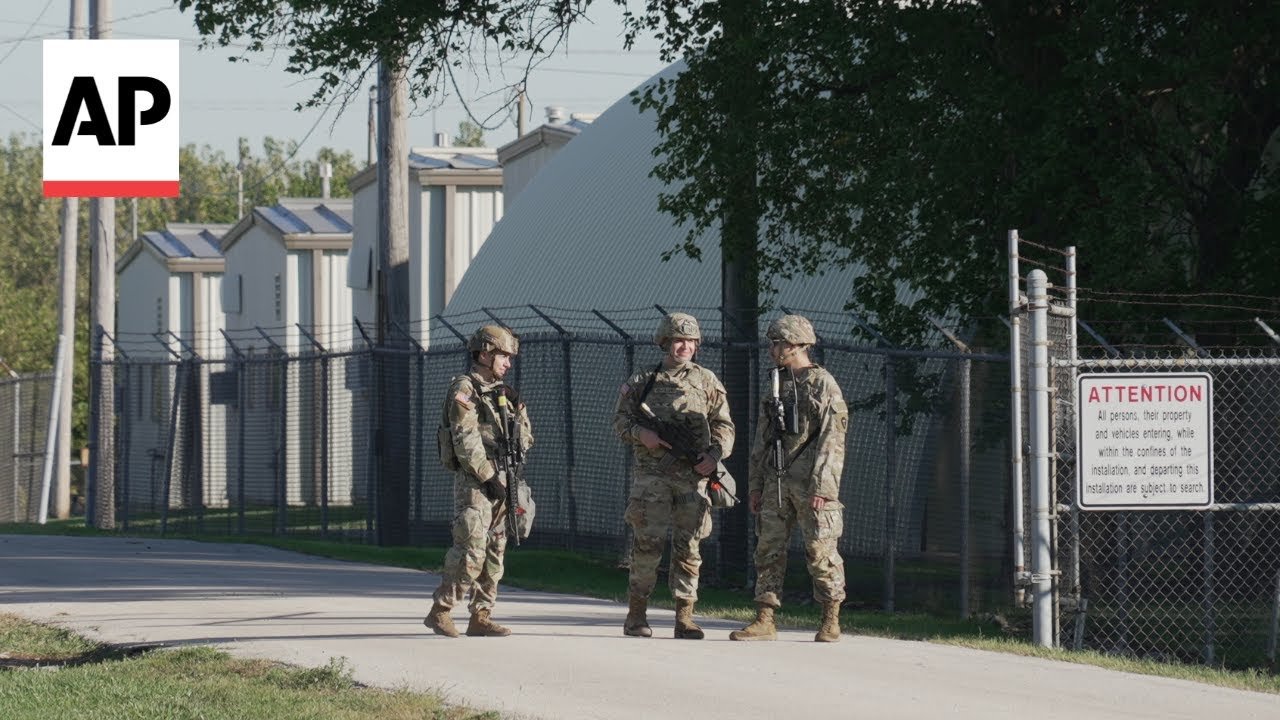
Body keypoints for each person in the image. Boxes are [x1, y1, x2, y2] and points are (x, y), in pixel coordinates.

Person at [613, 312, 735, 639]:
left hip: (692, 479)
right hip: (652, 478)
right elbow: (620, 421)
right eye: (679, 340)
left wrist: (714, 455)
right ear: (665, 342)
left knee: (690, 547)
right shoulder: (643, 380)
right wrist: (642, 434)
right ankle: (636, 615)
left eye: (691, 341)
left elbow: (724, 426)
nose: (685, 347)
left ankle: (685, 618)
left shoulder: (706, 381)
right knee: (647, 546)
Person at [731, 314, 849, 643]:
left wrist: (823, 488)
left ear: (797, 344)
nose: (773, 350)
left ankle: (830, 617)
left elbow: (832, 440)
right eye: (772, 343)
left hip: (811, 483)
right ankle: (765, 618)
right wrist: (756, 485)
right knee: (768, 549)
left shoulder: (823, 384)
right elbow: (762, 439)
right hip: (777, 480)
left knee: (820, 552)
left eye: (778, 343)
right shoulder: (776, 383)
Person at [424, 325, 533, 638]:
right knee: (471, 547)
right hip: (476, 481)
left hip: (505, 478)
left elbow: (525, 438)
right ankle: (441, 610)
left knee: (496, 548)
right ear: (485, 354)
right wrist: (488, 477)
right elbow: (465, 439)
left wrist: (519, 411)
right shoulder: (465, 388)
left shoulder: (503, 394)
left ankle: (481, 615)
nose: (508, 363)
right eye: (503, 356)